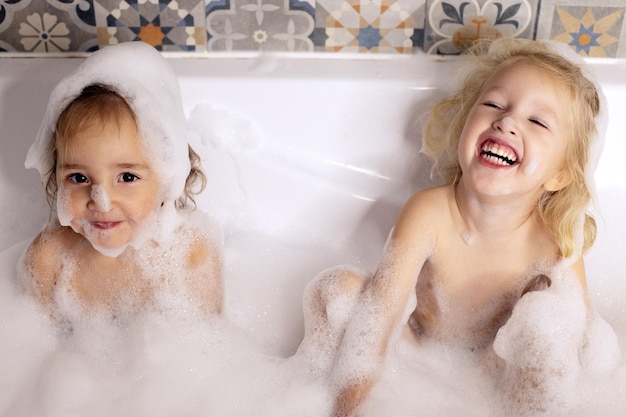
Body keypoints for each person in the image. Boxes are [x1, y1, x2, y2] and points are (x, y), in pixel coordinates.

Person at [298, 38, 616, 416]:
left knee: (545, 333)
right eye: (493, 104)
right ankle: (311, 389)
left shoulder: (556, 243)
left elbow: (576, 344)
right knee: (339, 289)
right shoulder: (429, 213)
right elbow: (379, 318)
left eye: (536, 121)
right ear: (465, 122)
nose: (508, 121)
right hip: (414, 348)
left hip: (494, 369)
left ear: (560, 174)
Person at [18, 42, 223, 321]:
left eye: (127, 177)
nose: (101, 200)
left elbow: (206, 347)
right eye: (79, 178)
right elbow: (33, 347)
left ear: (167, 178)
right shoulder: (48, 259)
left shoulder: (191, 254)